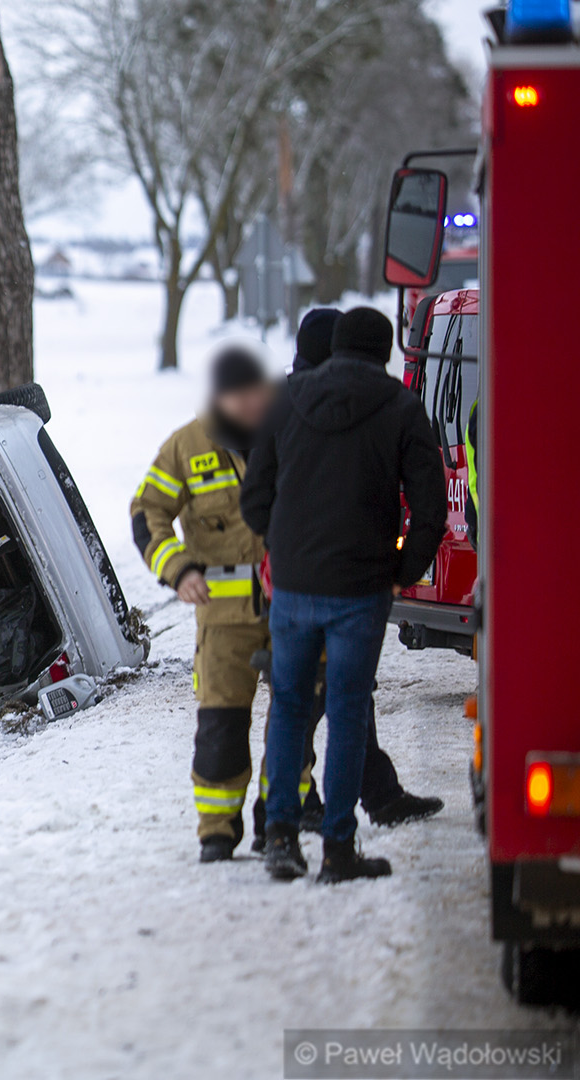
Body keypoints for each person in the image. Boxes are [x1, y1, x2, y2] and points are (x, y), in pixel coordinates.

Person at [242, 307, 448, 884]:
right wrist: (401, 572)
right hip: (361, 590)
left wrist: (282, 547)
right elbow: (430, 508)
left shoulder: (288, 400)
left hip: (296, 587)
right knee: (349, 712)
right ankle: (338, 849)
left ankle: (280, 836)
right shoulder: (402, 407)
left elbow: (255, 496)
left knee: (287, 707)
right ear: (383, 350)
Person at [131, 344, 273, 863]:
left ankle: (282, 821)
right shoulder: (189, 445)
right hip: (223, 614)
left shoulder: (292, 425)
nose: (250, 405)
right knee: (222, 726)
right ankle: (217, 831)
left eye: (256, 393)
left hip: (292, 603)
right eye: (238, 397)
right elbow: (147, 512)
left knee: (296, 718)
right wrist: (179, 569)